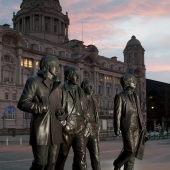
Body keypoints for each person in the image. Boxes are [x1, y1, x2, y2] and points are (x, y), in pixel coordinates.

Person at [17, 56, 63, 170]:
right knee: (40, 163)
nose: (58, 68)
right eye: (55, 66)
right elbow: (22, 103)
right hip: (41, 128)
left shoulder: (58, 87)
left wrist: (62, 112)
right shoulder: (34, 81)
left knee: (52, 164)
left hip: (56, 129)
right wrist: (40, 108)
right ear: (47, 66)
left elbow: (59, 106)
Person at [55, 66, 87, 170]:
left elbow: (84, 109)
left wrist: (85, 123)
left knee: (81, 157)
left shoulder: (81, 92)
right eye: (75, 75)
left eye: (79, 75)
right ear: (68, 76)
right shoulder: (61, 90)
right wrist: (63, 123)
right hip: (67, 128)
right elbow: (57, 108)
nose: (78, 77)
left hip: (80, 127)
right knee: (62, 155)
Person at [113, 74, 147, 170]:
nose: (135, 82)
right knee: (130, 149)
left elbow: (139, 113)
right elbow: (117, 114)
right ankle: (117, 164)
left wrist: (143, 127)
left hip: (137, 127)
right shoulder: (120, 96)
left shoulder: (136, 96)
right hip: (127, 126)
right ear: (127, 83)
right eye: (133, 81)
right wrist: (117, 127)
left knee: (133, 155)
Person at [80, 79, 101, 170]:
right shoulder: (79, 99)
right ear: (84, 88)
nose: (92, 88)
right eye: (90, 86)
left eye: (93, 86)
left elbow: (97, 117)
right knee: (80, 158)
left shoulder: (95, 101)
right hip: (82, 131)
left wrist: (97, 129)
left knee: (96, 156)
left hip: (93, 131)